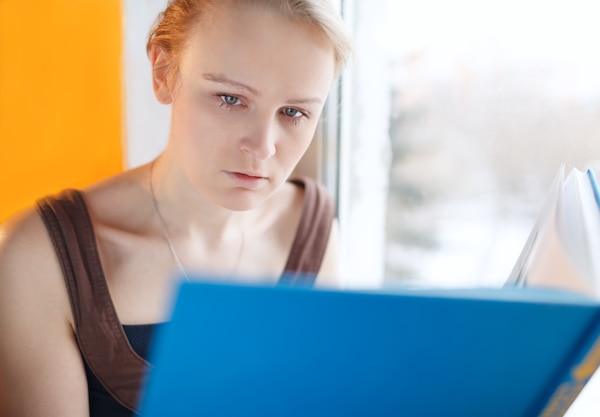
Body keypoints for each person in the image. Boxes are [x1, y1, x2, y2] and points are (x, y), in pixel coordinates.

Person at [0, 0, 353, 415]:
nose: (262, 147)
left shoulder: (312, 230)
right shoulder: (37, 260)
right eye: (230, 98)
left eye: (294, 112)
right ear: (163, 71)